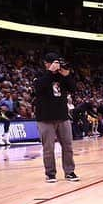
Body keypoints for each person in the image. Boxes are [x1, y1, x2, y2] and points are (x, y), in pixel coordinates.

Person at [34, 52, 78, 182]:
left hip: (62, 116)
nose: (57, 66)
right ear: (47, 64)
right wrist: (49, 72)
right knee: (48, 148)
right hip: (45, 118)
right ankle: (50, 173)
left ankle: (69, 172)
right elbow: (39, 88)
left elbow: (73, 88)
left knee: (68, 146)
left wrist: (67, 76)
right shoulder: (40, 76)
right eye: (54, 63)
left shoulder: (62, 76)